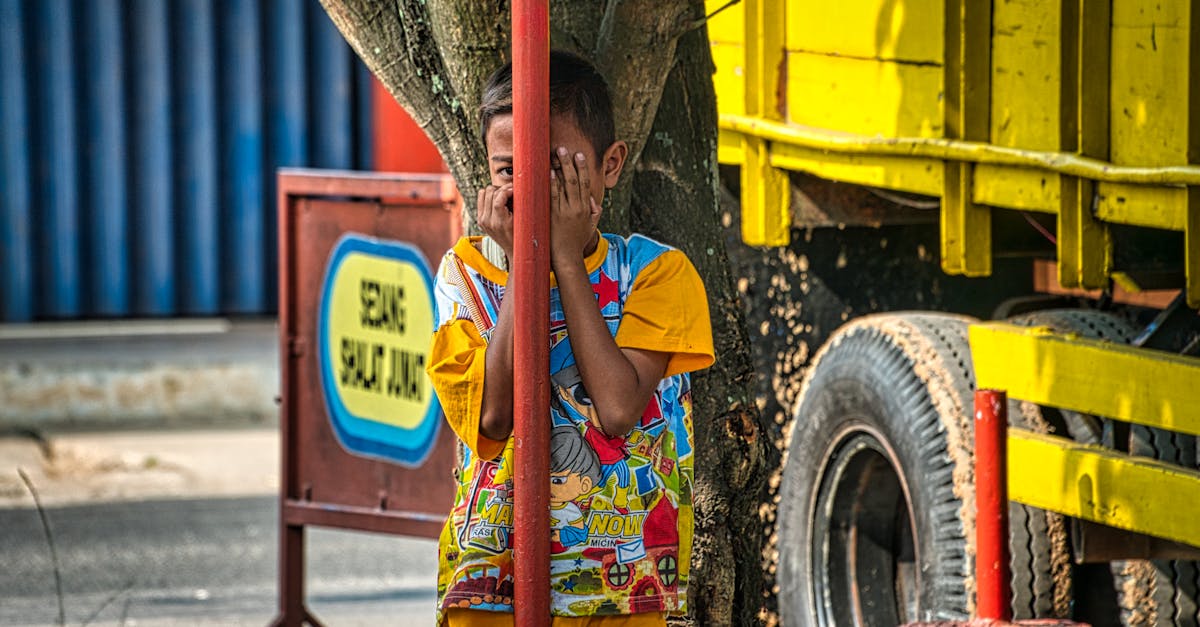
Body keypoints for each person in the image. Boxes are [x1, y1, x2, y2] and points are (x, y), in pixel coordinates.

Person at [426, 50, 715, 627]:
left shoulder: (656, 273)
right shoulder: (466, 275)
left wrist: (563, 256)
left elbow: (617, 409)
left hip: (623, 590)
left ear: (610, 165)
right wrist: (522, 265)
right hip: (491, 587)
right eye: (510, 171)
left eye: (556, 170)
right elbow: (492, 418)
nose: (533, 191)